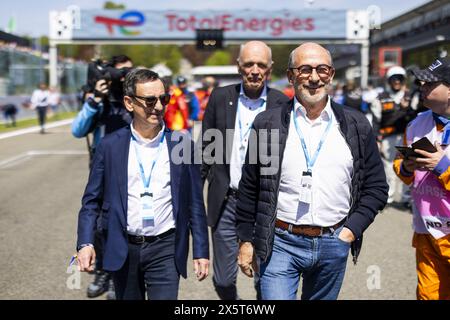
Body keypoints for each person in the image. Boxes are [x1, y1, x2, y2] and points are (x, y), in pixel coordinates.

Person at [235, 42, 388, 300]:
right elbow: (251, 187)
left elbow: (376, 187)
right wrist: (246, 240)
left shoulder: (356, 124)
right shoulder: (267, 123)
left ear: (331, 74)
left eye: (322, 70)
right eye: (305, 69)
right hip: (281, 243)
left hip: (334, 241)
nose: (314, 78)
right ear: (291, 76)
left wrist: (350, 231)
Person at [76, 68, 209, 300]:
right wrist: (85, 243)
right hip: (123, 247)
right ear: (129, 102)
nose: (158, 107)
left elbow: (195, 203)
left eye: (163, 99)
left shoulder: (181, 143)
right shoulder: (109, 146)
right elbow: (91, 202)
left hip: (165, 248)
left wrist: (201, 251)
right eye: (149, 100)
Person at [201, 40, 290, 300]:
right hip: (227, 201)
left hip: (265, 204)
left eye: (261, 65)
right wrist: (192, 199)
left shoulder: (281, 103)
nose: (254, 70)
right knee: (223, 279)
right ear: (238, 66)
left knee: (266, 278)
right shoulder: (220, 97)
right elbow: (206, 152)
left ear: (270, 69)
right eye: (248, 63)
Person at [71, 54, 134, 299]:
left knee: (131, 222)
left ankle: (127, 272)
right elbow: (77, 130)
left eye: (127, 73)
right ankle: (104, 271)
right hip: (104, 168)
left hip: (135, 165)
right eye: (118, 73)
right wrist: (96, 98)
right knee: (100, 223)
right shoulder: (100, 99)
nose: (121, 78)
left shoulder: (136, 98)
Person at [393, 57, 450, 300]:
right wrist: (405, 167)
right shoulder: (416, 124)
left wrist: (443, 167)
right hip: (427, 229)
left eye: (430, 83)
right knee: (428, 296)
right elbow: (401, 169)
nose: (422, 87)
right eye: (421, 83)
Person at [372, 66, 418, 205]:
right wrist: (376, 139)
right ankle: (388, 197)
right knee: (389, 168)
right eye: (394, 79)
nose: (397, 81)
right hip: (388, 138)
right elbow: (375, 121)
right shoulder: (380, 98)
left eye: (400, 78)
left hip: (409, 137)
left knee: (409, 166)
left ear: (404, 80)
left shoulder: (411, 96)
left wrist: (407, 108)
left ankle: (406, 198)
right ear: (389, 81)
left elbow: (417, 115)